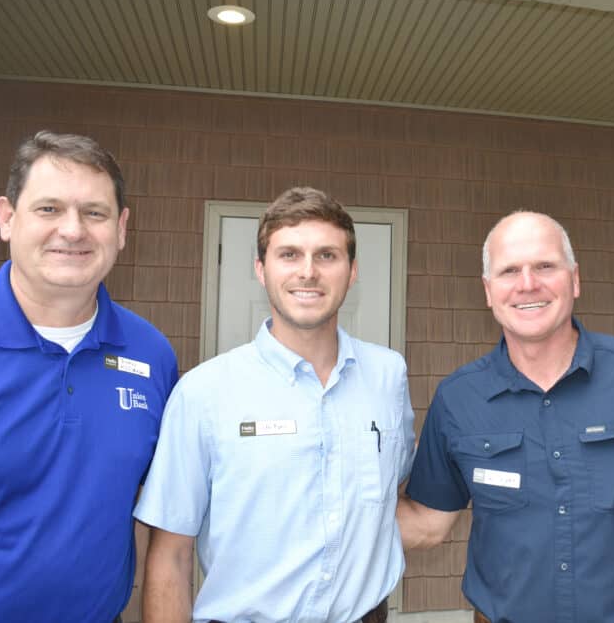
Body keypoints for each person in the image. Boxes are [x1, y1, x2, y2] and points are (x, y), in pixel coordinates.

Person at [398, 211, 614, 623]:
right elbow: (428, 523)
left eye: (545, 266)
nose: (527, 283)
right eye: (509, 270)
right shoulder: (458, 399)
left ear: (575, 279)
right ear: (488, 291)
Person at [135, 186, 415, 623]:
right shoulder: (204, 393)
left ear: (352, 270)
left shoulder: (388, 376)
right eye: (289, 255)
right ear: (261, 270)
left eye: (327, 255)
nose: (308, 272)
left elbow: (385, 496)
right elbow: (170, 554)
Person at [0, 131, 179, 623]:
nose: (73, 230)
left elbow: (160, 512)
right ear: (7, 218)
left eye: (94, 213)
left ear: (122, 227)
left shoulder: (152, 355)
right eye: (49, 209)